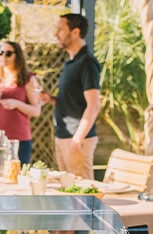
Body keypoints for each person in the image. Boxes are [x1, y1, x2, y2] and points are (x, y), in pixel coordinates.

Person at [39, 13, 101, 180]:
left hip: (77, 139)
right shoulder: (70, 63)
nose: (56, 34)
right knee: (67, 189)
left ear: (75, 32)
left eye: (60, 30)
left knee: (82, 189)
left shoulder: (86, 62)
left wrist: (77, 139)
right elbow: (74, 101)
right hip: (63, 136)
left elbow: (94, 105)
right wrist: (51, 99)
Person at [0, 41, 41, 164]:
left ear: (17, 56)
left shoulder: (27, 80)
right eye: (0, 52)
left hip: (19, 140)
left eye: (8, 53)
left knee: (19, 174)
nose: (3, 56)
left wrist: (16, 103)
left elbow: (36, 111)